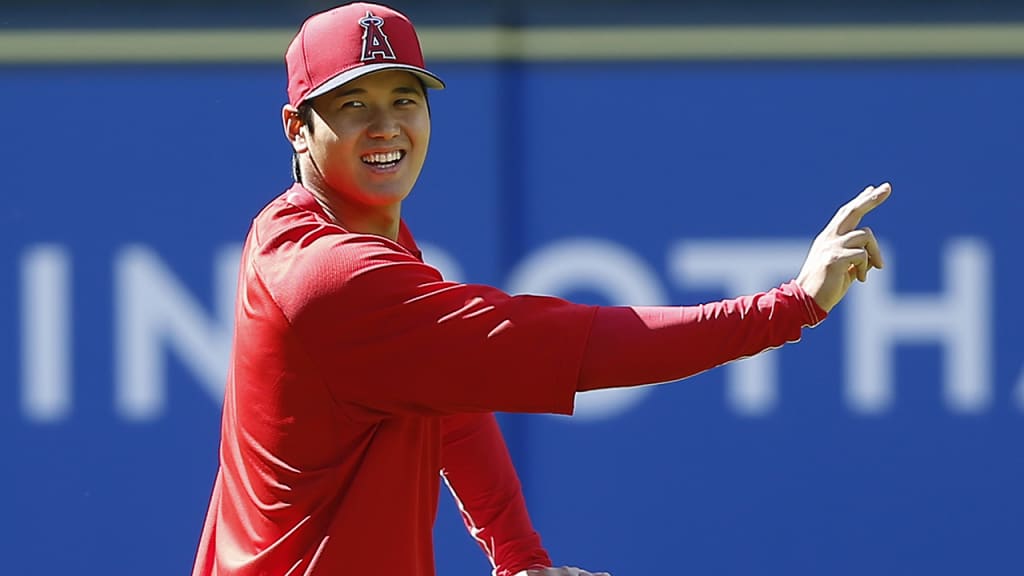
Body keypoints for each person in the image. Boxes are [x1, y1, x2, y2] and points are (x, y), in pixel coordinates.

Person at [191, 2, 890, 575]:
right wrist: (789, 306)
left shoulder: (318, 232)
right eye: (352, 104)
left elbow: (449, 399)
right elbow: (587, 347)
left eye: (404, 98)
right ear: (297, 128)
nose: (386, 125)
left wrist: (518, 557)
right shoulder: (333, 277)